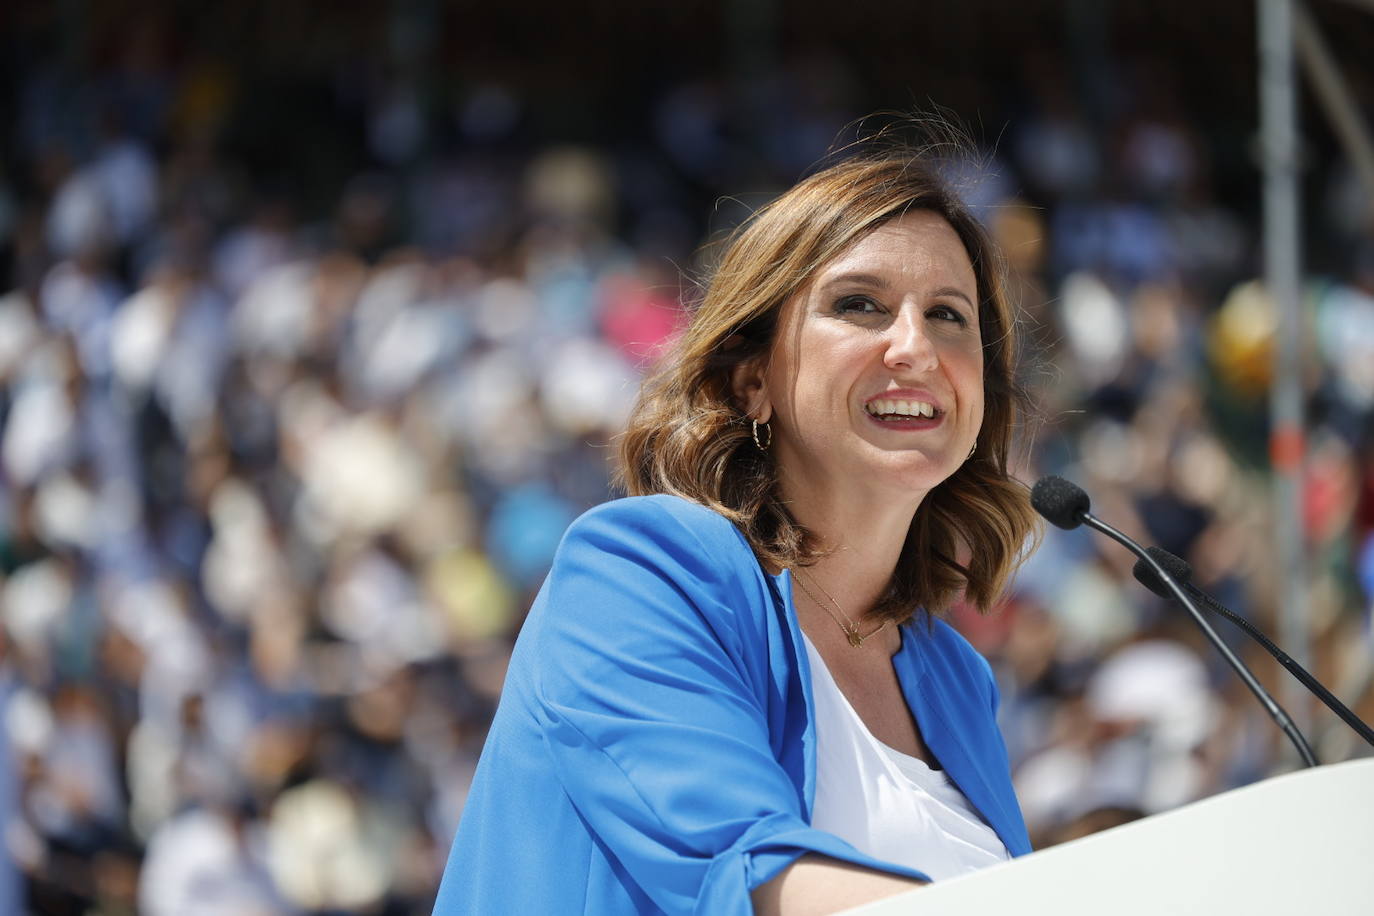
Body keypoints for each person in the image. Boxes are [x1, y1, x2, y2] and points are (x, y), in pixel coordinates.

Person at [433, 141, 1041, 915]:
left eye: (950, 316)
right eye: (861, 305)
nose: (916, 346)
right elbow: (747, 871)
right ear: (753, 380)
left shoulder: (960, 680)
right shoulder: (639, 571)